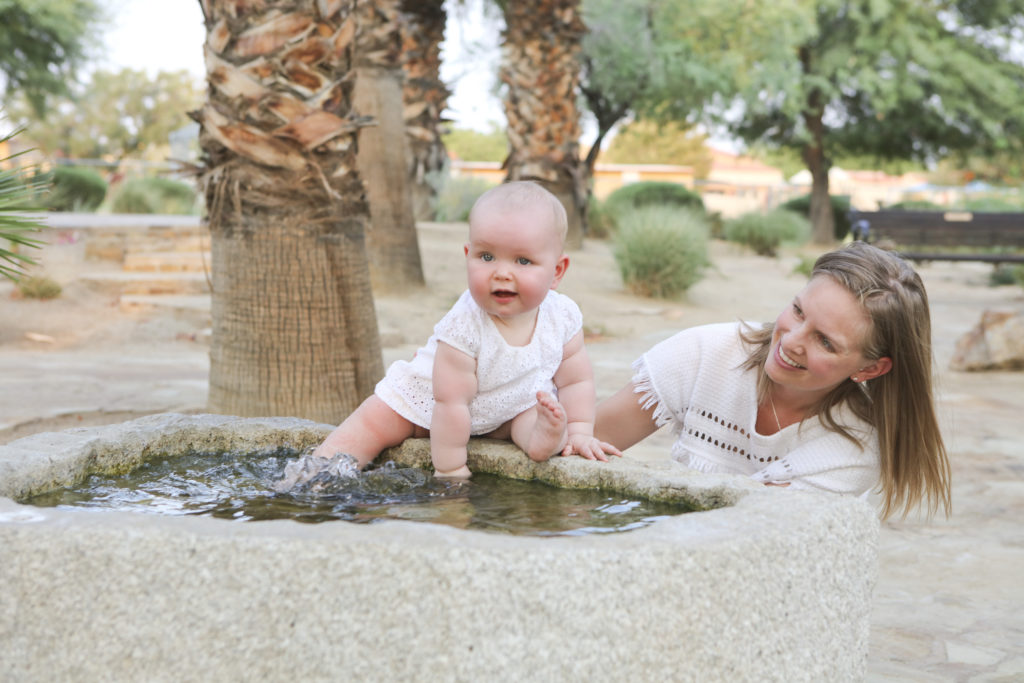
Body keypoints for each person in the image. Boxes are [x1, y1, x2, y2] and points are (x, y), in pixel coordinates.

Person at [594, 241, 951, 520]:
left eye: (825, 341)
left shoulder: (855, 447)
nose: (792, 340)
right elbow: (588, 441)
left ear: (871, 369)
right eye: (797, 311)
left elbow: (741, 531)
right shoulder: (705, 353)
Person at [311, 181, 620, 479]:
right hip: (428, 405)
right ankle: (316, 475)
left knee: (533, 415)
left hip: (507, 410)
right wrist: (451, 469)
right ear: (467, 256)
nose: (501, 273)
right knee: (374, 422)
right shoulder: (464, 326)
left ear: (557, 272)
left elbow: (577, 380)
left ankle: (543, 439)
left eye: (523, 261)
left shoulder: (562, 316)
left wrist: (580, 432)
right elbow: (450, 404)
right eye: (486, 257)